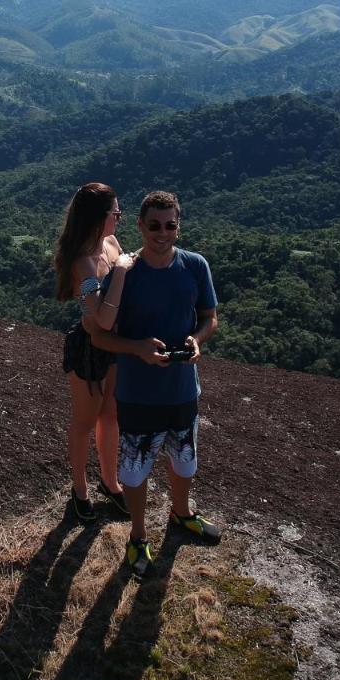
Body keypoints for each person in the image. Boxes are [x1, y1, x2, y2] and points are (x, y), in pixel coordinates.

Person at [89, 190, 220, 579]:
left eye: (170, 225)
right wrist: (139, 349)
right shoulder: (124, 273)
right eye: (154, 225)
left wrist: (198, 339)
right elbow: (100, 336)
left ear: (178, 226)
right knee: (133, 472)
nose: (162, 233)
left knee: (184, 460)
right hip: (137, 392)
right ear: (140, 227)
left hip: (182, 389)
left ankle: (182, 514)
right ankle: (138, 535)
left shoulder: (195, 266)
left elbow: (210, 318)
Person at [52, 182, 133, 521]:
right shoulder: (82, 262)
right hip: (90, 348)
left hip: (115, 343)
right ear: (100, 218)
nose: (119, 218)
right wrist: (123, 271)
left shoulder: (111, 243)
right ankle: (80, 488)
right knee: (85, 421)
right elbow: (99, 314)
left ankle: (111, 482)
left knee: (111, 416)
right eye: (116, 213)